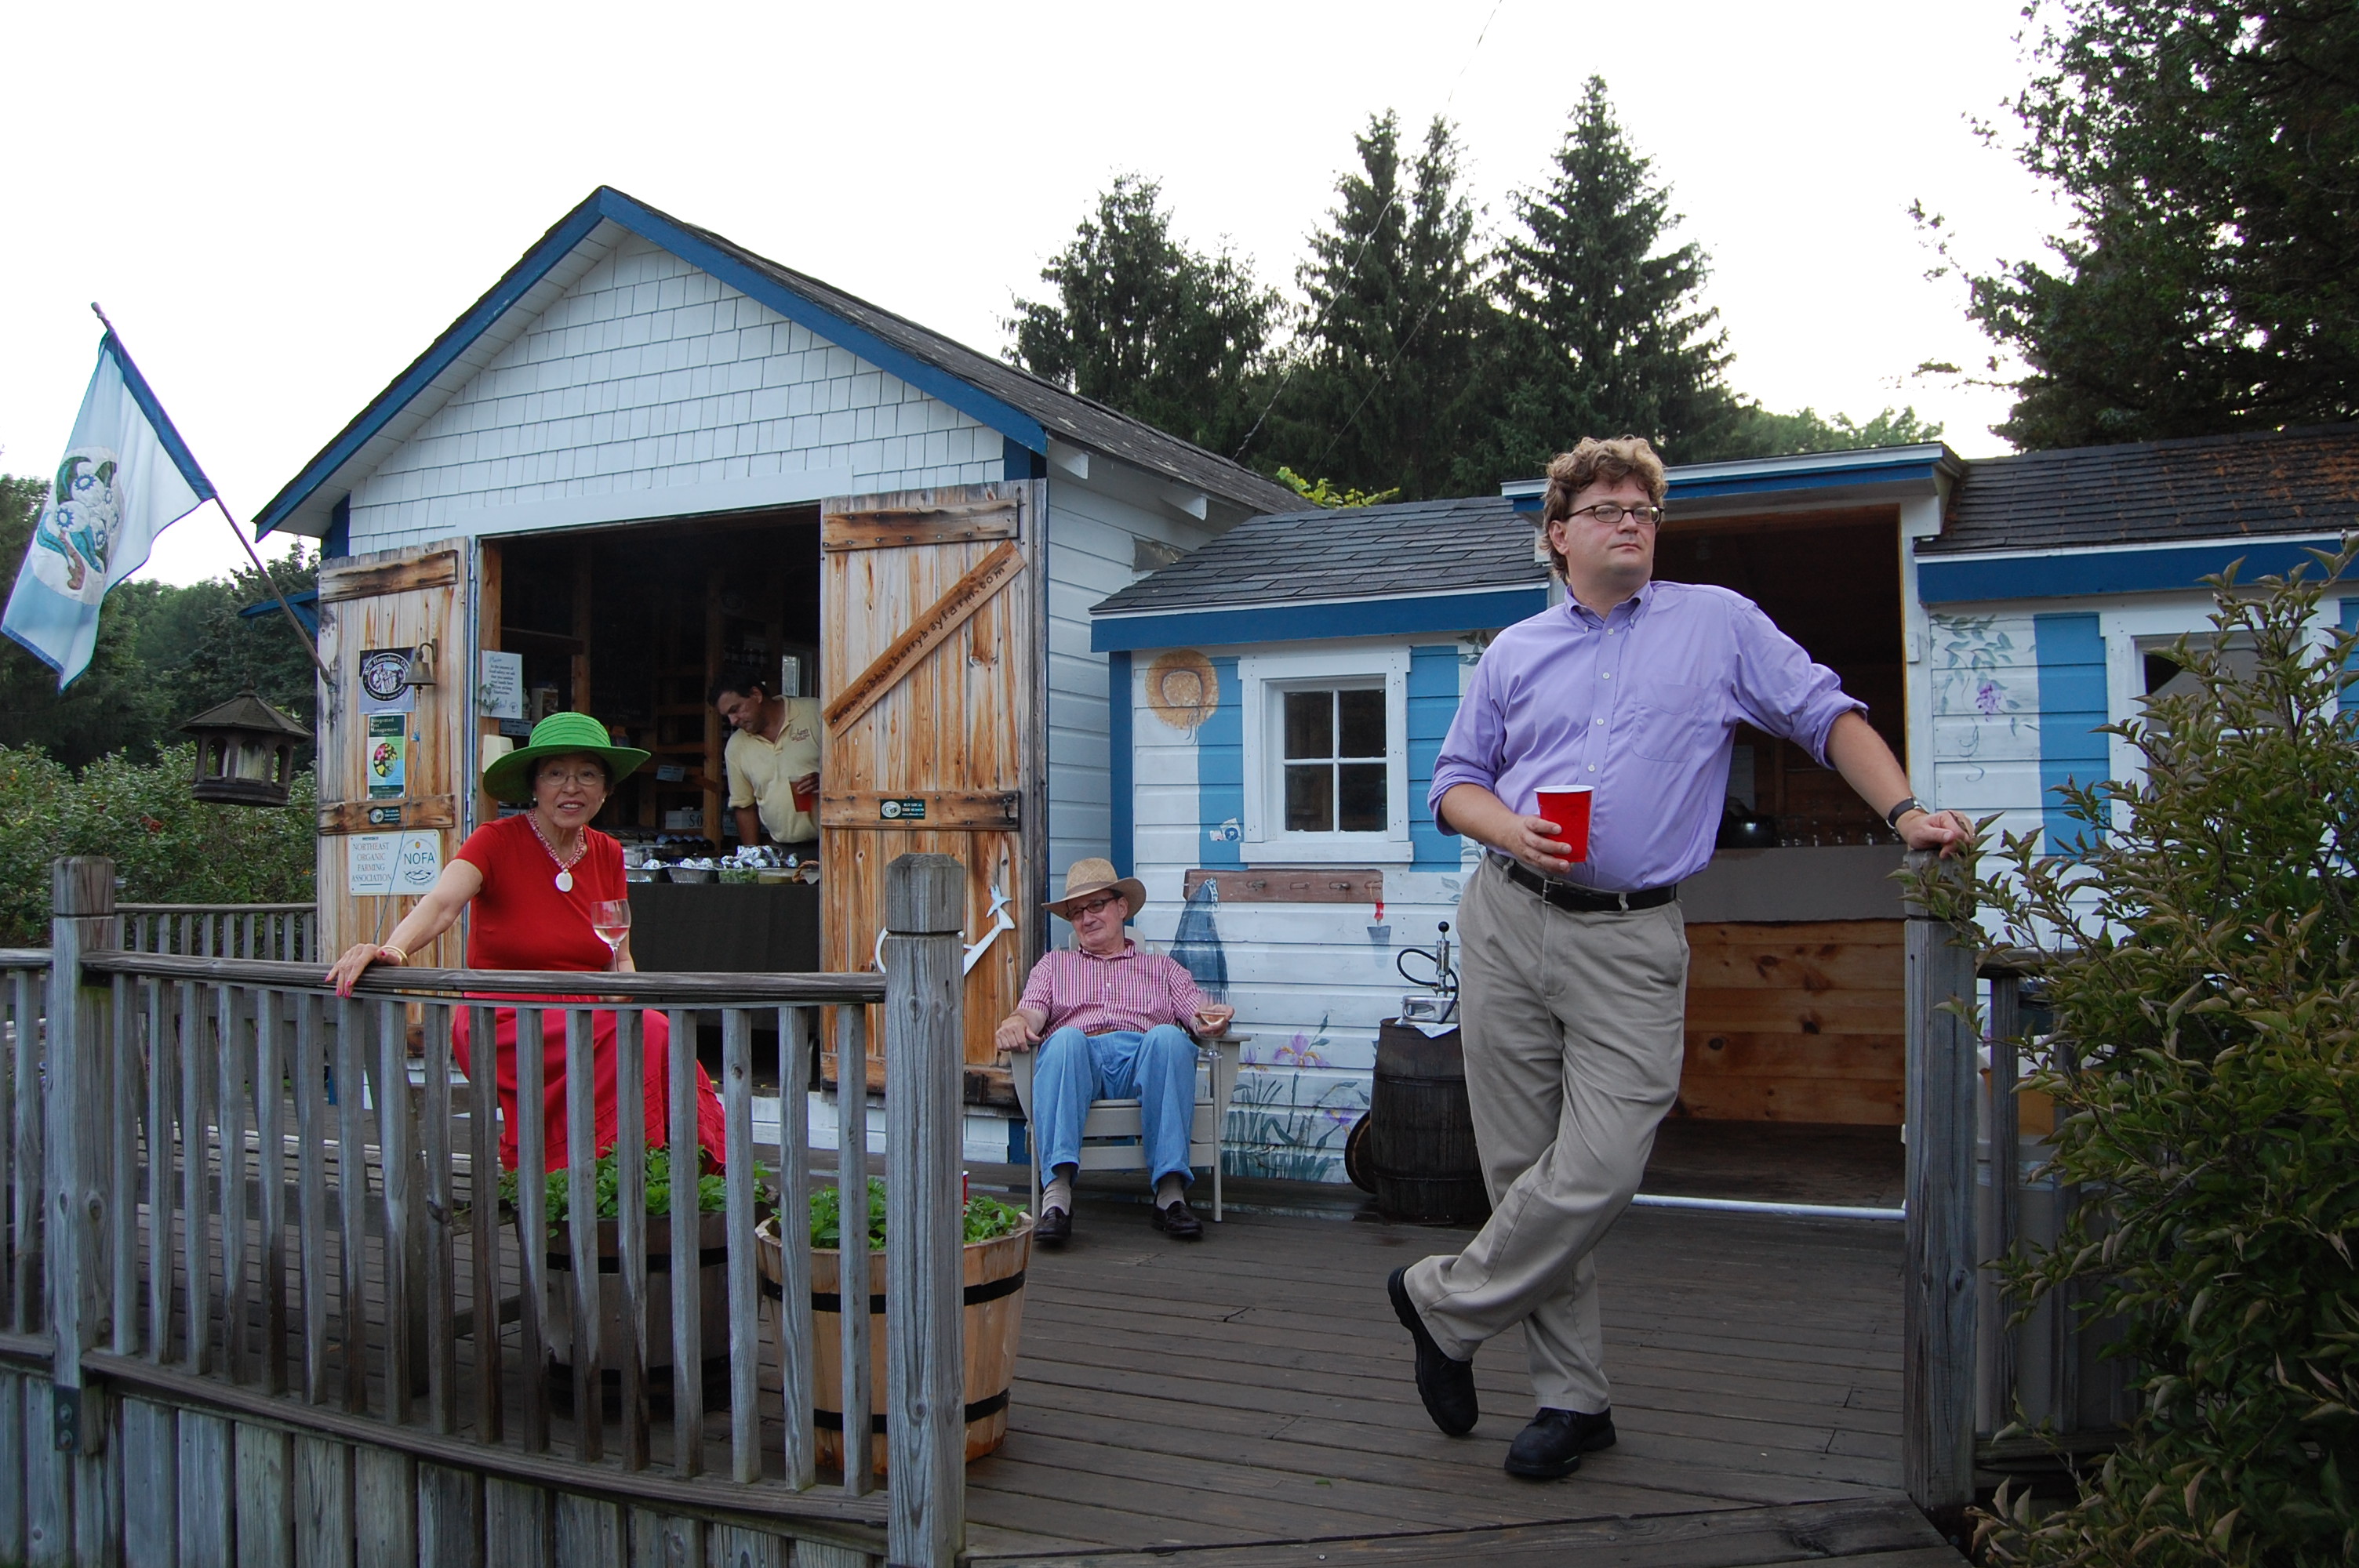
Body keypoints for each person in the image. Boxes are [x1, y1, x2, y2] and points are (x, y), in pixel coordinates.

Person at [1389, 437, 1973, 1481]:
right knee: (1524, 1170)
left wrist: (1905, 811)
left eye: (1644, 510)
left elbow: (1827, 715)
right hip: (1507, 918)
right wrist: (1507, 828)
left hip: (1632, 935)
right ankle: (1573, 1400)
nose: (1630, 521)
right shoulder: (1515, 651)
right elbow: (1453, 783)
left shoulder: (1719, 625)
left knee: (1601, 1163)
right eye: (1606, 508)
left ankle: (1443, 1303)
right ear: (1559, 535)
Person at [326, 711, 729, 1171]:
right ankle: (585, 1176)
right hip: (502, 1013)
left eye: (587, 775)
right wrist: (392, 950)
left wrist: (625, 991)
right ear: (535, 785)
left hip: (585, 1011)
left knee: (655, 1032)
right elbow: (440, 904)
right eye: (556, 774)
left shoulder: (608, 852)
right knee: (650, 1033)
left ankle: (652, 1176)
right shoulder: (494, 840)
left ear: (606, 789)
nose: (571, 787)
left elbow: (618, 950)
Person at [994, 859, 1235, 1247]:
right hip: (1080, 1061)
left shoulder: (1162, 968)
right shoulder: (1054, 965)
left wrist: (1213, 1018)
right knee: (1066, 1039)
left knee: (1170, 1039)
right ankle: (1057, 1198)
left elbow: (1196, 1012)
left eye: (1096, 905)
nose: (1087, 918)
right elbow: (1031, 1012)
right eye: (1076, 912)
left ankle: (1170, 1196)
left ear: (1121, 907)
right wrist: (1014, 1021)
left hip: (1142, 1059)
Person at [711, 670, 823, 850]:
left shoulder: (814, 712)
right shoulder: (736, 746)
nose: (732, 721)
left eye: (735, 710)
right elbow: (744, 806)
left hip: (836, 840)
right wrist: (753, 856)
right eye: (727, 716)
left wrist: (827, 780)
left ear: (756, 695)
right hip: (783, 847)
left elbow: (855, 765)